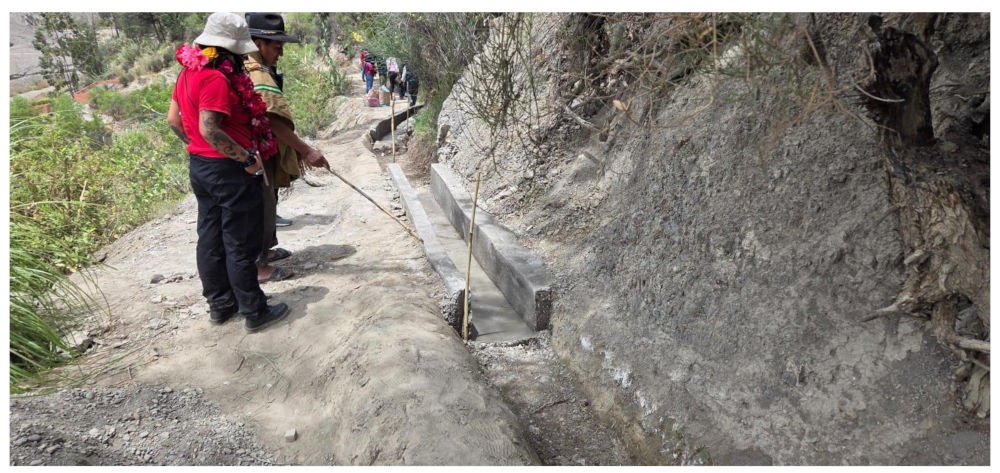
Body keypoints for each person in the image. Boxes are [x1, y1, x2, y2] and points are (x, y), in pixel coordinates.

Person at [165, 12, 288, 332]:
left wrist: (198, 150)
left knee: (210, 237)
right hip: (229, 170)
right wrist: (246, 158)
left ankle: (220, 305)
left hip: (201, 168)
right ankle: (254, 310)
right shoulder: (217, 79)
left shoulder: (187, 74)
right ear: (231, 49)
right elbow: (210, 129)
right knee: (239, 241)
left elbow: (174, 122)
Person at [244, 13, 331, 283]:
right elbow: (271, 119)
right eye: (277, 47)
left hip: (261, 150)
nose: (280, 53)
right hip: (252, 154)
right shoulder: (255, 71)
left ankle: (265, 251)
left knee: (269, 200)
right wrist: (306, 151)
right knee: (258, 205)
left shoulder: (257, 67)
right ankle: (257, 265)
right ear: (259, 44)